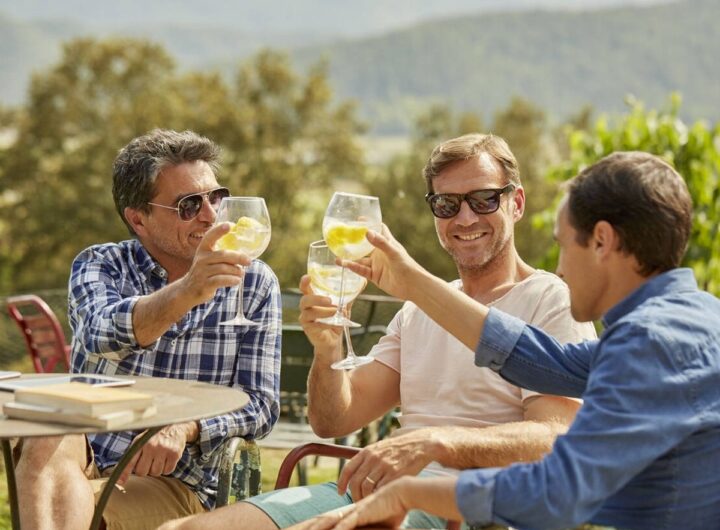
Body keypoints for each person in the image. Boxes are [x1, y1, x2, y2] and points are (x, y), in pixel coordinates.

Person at [161, 133, 596, 530]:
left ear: (516, 203)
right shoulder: (418, 310)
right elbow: (333, 421)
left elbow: (555, 436)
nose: (465, 217)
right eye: (447, 204)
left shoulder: (549, 299)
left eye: (483, 199)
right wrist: (328, 349)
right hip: (375, 492)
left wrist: (437, 441)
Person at [299, 151, 720, 530]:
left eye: (562, 246)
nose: (559, 269)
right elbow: (531, 356)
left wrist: (414, 482)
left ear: (602, 241)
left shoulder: (657, 342)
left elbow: (559, 489)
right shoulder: (679, 321)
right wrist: (411, 283)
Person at [14, 129, 282, 530]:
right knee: (45, 434)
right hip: (88, 452)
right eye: (189, 205)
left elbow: (259, 404)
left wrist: (187, 426)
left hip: (173, 480)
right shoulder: (101, 264)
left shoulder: (255, 282)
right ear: (138, 219)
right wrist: (188, 290)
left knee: (70, 510)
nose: (210, 215)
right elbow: (100, 334)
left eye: (216, 198)